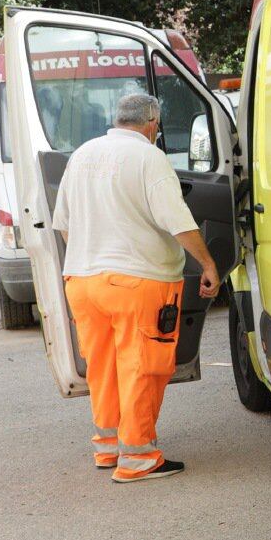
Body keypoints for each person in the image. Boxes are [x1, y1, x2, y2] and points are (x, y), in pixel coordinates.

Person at [51, 91, 220, 483]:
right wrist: (207, 263)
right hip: (138, 283)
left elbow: (63, 223)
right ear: (152, 124)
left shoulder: (83, 154)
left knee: (103, 368)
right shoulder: (149, 157)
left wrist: (90, 254)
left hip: (83, 281)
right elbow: (177, 220)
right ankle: (140, 458)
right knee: (142, 368)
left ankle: (108, 449)